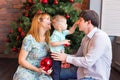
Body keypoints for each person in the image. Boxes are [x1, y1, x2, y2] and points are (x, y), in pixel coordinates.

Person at [51, 10, 112, 80]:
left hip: (94, 77)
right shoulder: (85, 38)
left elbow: (87, 62)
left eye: (80, 20)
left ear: (88, 22)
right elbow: (78, 56)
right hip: (81, 72)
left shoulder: (100, 37)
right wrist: (63, 56)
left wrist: (66, 58)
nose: (77, 22)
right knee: (53, 74)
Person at [13, 13, 53, 80]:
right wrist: (37, 69)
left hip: (42, 71)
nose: (50, 21)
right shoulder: (29, 39)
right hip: (27, 70)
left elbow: (51, 57)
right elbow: (21, 60)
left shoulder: (49, 39)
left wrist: (49, 69)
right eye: (47, 19)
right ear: (39, 21)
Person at [49, 15, 78, 80]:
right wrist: (63, 42)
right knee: (56, 71)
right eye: (65, 23)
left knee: (58, 69)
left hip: (58, 55)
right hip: (55, 56)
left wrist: (75, 24)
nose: (66, 25)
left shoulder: (62, 32)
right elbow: (53, 43)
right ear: (59, 27)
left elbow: (71, 31)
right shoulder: (55, 34)